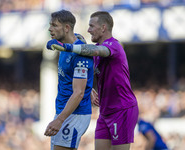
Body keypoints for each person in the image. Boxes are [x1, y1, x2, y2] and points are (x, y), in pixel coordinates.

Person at [47, 11, 139, 150]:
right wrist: (89, 88)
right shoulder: (91, 50)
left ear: (103, 28)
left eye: (91, 26)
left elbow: (97, 51)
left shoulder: (113, 46)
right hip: (105, 110)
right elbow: (88, 55)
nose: (88, 30)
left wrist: (68, 47)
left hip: (122, 109)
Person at [44, 10, 94, 150]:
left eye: (54, 25)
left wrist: (60, 120)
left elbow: (78, 93)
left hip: (74, 115)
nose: (50, 28)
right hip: (64, 112)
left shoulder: (80, 55)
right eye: (50, 25)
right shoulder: (64, 45)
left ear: (66, 28)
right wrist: (90, 89)